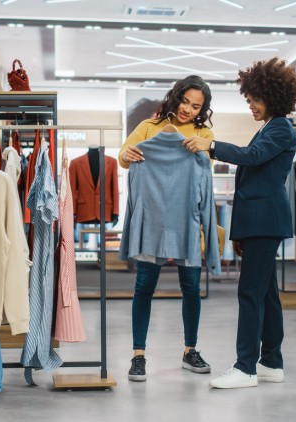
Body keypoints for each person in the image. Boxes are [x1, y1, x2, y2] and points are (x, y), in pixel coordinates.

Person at [183, 57, 296, 389]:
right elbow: (254, 177)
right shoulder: (269, 128)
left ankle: (245, 367)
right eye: (249, 100)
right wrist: (239, 232)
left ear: (273, 96)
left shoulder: (280, 128)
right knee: (266, 295)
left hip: (265, 221)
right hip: (257, 223)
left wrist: (212, 146)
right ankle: (271, 363)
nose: (251, 105)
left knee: (250, 293)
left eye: (256, 100)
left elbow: (251, 158)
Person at [119, 75, 215, 382]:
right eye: (185, 101)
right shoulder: (149, 127)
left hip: (186, 219)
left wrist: (205, 149)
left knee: (191, 289)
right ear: (176, 98)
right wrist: (126, 155)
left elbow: (204, 174)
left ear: (203, 109)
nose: (188, 110)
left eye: (196, 106)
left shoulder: (204, 132)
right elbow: (124, 157)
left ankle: (190, 350)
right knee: (144, 287)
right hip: (153, 221)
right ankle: (138, 355)